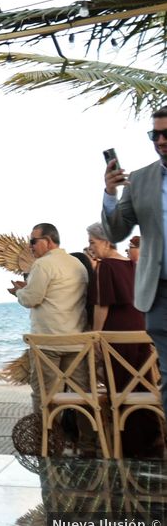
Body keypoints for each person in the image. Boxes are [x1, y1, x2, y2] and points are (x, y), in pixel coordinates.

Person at [100, 106, 167, 415]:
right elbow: (117, 231)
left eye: (166, 133)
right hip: (160, 292)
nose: (161, 140)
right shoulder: (140, 180)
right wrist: (110, 192)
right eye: (156, 134)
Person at [86, 222, 163, 457]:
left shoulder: (106, 266)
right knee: (142, 386)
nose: (91, 248)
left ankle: (131, 447)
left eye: (93, 242)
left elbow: (102, 306)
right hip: (139, 332)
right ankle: (152, 440)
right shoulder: (131, 264)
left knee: (120, 390)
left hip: (117, 336)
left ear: (106, 241)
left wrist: (96, 337)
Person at [8, 224, 88, 414]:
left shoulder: (43, 264)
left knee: (45, 395)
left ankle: (47, 438)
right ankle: (87, 442)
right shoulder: (77, 264)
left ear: (49, 241)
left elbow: (32, 298)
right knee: (82, 395)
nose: (30, 246)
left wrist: (19, 291)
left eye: (33, 241)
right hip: (76, 341)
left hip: (47, 342)